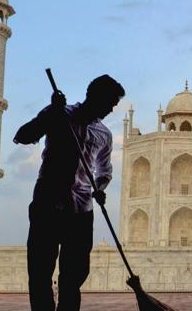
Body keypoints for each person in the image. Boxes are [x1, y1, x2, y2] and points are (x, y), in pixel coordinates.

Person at [14, 74, 125, 311]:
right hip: (48, 201)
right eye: (110, 104)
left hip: (82, 208)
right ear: (94, 97)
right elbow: (22, 136)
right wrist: (51, 114)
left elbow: (104, 171)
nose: (111, 110)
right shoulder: (60, 114)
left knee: (74, 276)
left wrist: (100, 188)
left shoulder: (104, 134)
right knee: (40, 270)